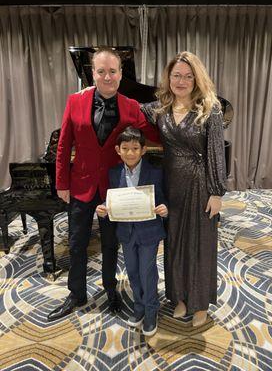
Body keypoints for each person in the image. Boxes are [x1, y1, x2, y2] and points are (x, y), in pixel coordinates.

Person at [47, 48, 160, 322]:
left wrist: (180, 131)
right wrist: (62, 182)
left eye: (112, 71)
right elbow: (64, 145)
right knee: (76, 243)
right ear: (92, 73)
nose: (107, 76)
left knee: (111, 244)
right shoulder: (75, 101)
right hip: (80, 185)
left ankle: (111, 292)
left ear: (121, 74)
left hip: (114, 189)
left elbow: (153, 133)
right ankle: (76, 293)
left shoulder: (132, 107)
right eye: (101, 71)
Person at [142, 51, 227, 327]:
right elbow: (130, 110)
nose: (181, 81)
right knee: (175, 243)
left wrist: (217, 192)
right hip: (171, 184)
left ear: (196, 78)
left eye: (188, 76)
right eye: (176, 75)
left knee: (201, 244)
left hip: (201, 184)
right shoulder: (160, 108)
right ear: (169, 78)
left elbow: (216, 151)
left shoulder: (210, 107)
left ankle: (200, 304)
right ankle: (179, 298)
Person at [96, 126, 168, 336]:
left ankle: (151, 309)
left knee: (147, 272)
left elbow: (163, 199)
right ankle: (138, 307)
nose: (130, 153)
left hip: (149, 231)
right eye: (125, 148)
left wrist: (165, 209)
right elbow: (112, 202)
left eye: (135, 148)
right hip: (126, 232)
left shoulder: (155, 172)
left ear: (143, 150)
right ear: (118, 150)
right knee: (133, 271)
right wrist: (103, 209)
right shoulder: (114, 173)